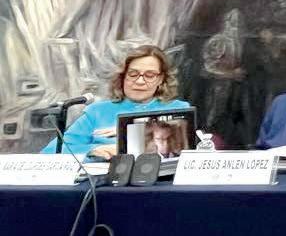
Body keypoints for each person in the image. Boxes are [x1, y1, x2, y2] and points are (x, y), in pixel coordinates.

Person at [41, 45, 190, 159]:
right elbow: (51, 152)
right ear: (122, 76)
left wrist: (130, 132)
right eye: (133, 74)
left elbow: (186, 150)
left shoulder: (179, 110)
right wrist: (92, 150)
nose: (139, 81)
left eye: (149, 75)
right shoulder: (97, 112)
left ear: (161, 79)